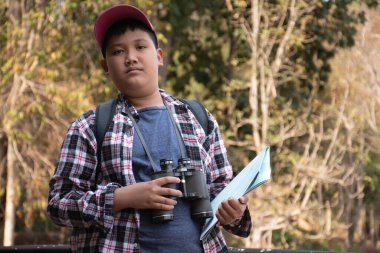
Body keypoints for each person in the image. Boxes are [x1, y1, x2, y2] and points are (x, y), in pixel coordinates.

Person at [47, 4, 251, 253]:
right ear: (106, 66)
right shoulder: (89, 127)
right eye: (118, 51)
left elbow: (222, 188)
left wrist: (234, 210)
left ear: (159, 56)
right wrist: (122, 198)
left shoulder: (199, 118)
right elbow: (59, 204)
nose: (130, 57)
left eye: (140, 47)